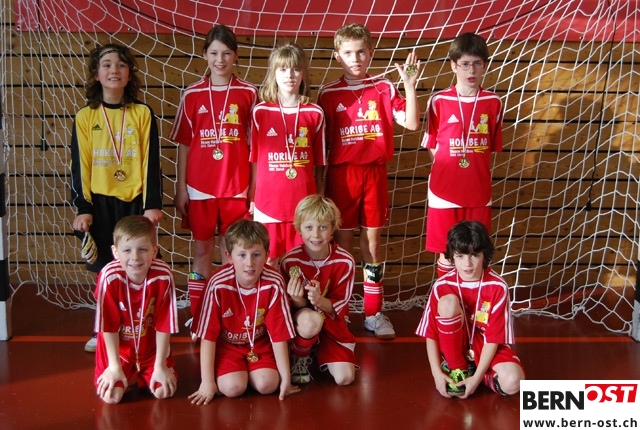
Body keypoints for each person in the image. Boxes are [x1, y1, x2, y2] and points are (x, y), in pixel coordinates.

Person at [317, 23, 421, 339]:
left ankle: (374, 313)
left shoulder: (384, 87)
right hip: (341, 176)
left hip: (374, 174)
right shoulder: (328, 93)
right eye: (348, 53)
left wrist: (410, 87)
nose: (355, 58)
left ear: (371, 53)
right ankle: (340, 312)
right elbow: (320, 147)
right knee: (342, 246)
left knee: (372, 244)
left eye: (361, 52)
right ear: (337, 56)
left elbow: (412, 124)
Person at [70, 43, 164, 352]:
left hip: (135, 202)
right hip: (99, 204)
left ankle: (142, 327)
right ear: (96, 74)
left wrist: (152, 204)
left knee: (138, 265)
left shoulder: (142, 113)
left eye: (121, 65)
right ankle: (103, 328)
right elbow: (80, 165)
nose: (114, 70)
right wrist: (83, 207)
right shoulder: (85, 116)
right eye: (107, 65)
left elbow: (151, 162)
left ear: (129, 74)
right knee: (104, 270)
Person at [170, 24, 258, 327]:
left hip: (236, 187)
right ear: (205, 55)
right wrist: (181, 188)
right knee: (201, 250)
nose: (220, 60)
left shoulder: (248, 93)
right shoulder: (192, 94)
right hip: (199, 187)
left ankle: (230, 314)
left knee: (233, 253)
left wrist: (254, 188)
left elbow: (255, 146)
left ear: (236, 56)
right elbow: (184, 144)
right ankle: (199, 315)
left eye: (227, 53)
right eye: (214, 53)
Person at [188, 219, 300, 404]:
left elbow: (278, 334)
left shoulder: (274, 282)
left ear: (267, 255)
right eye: (241, 255)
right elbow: (208, 336)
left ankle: (255, 373)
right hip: (227, 346)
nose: (249, 263)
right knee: (233, 388)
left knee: (268, 385)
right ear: (229, 256)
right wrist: (207, 383)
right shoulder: (218, 283)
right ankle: (234, 373)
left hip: (258, 344)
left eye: (256, 254)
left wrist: (286, 379)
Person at [421, 32, 503, 278]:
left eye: (477, 63)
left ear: (484, 65)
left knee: (476, 252)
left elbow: (489, 148)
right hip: (444, 191)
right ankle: (446, 297)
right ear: (453, 65)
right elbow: (432, 145)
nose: (471, 70)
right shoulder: (438, 101)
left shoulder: (494, 102)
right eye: (465, 63)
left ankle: (472, 298)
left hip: (478, 191)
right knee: (446, 252)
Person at [416, 220, 524, 398]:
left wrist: (476, 378)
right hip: (454, 343)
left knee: (514, 382)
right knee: (448, 303)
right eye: (460, 256)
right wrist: (436, 373)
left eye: (474, 255)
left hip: (483, 343)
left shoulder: (497, 287)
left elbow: (493, 338)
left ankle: (477, 376)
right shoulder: (442, 285)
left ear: (484, 255)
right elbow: (431, 334)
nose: (467, 263)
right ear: (452, 257)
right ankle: (455, 367)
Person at [249, 42, 326, 267]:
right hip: (268, 201)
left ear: (303, 74)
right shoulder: (261, 111)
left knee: (301, 261)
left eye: (295, 69)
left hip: (303, 201)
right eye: (283, 69)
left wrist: (319, 196)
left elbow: (320, 163)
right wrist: (253, 195)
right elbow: (254, 159)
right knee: (269, 259)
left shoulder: (314, 112)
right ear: (273, 73)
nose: (289, 75)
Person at [93, 215, 178, 404]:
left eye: (143, 249)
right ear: (115, 252)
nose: (135, 257)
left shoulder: (164, 276)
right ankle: (120, 369)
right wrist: (114, 367)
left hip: (150, 350)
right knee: (112, 397)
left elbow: (164, 325)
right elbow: (108, 326)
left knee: (163, 391)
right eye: (127, 250)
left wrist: (160, 366)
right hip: (120, 352)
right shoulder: (109, 277)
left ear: (154, 251)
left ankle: (150, 369)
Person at [280, 195, 357, 386]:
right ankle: (300, 356)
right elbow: (290, 310)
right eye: (309, 227)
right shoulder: (289, 261)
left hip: (332, 324)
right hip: (305, 321)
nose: (315, 234)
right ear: (299, 229)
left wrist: (319, 300)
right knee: (310, 321)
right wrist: (297, 299)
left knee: (345, 378)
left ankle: (318, 348)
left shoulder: (345, 261)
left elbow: (339, 307)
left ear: (333, 229)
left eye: (322, 227)